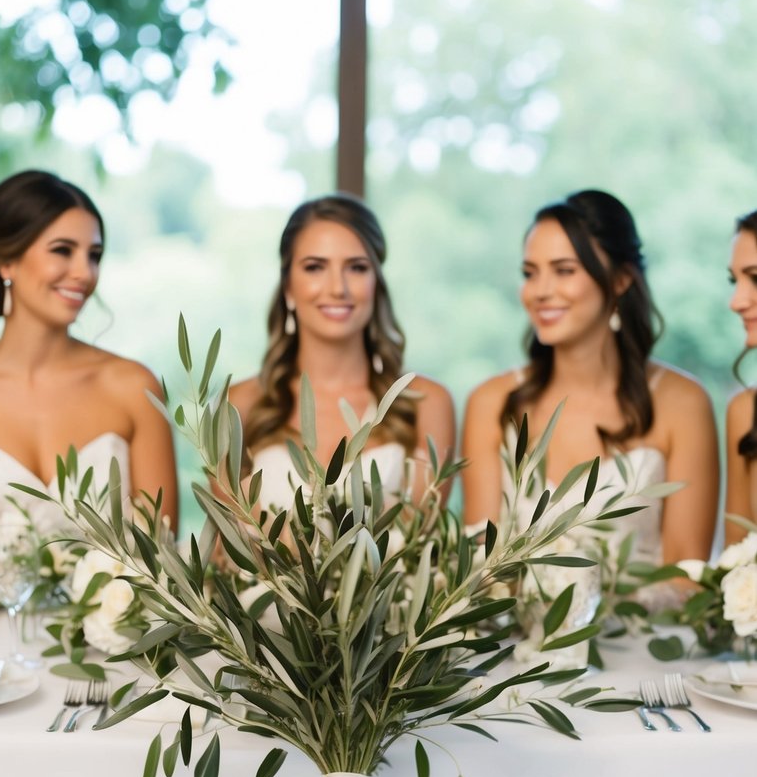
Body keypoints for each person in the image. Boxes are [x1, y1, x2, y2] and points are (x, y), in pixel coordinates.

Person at [0, 169, 178, 588]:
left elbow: (160, 549)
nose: (84, 272)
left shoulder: (134, 388)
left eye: (94, 255)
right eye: (63, 250)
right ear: (7, 259)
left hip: (104, 646)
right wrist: (8, 603)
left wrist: (93, 615)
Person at [461, 189, 719, 565]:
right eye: (530, 273)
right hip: (515, 624)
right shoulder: (491, 402)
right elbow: (480, 571)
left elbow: (685, 573)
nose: (541, 291)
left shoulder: (684, 403)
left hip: (646, 624)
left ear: (620, 281)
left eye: (564, 270)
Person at [229, 193, 455, 511]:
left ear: (376, 283)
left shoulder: (426, 404)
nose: (338, 288)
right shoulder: (239, 406)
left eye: (357, 268)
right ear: (288, 288)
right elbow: (226, 549)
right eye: (314, 267)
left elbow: (422, 537)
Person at [725, 209, 757, 543]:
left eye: (756, 278)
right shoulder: (743, 412)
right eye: (735, 281)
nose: (736, 301)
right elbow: (735, 564)